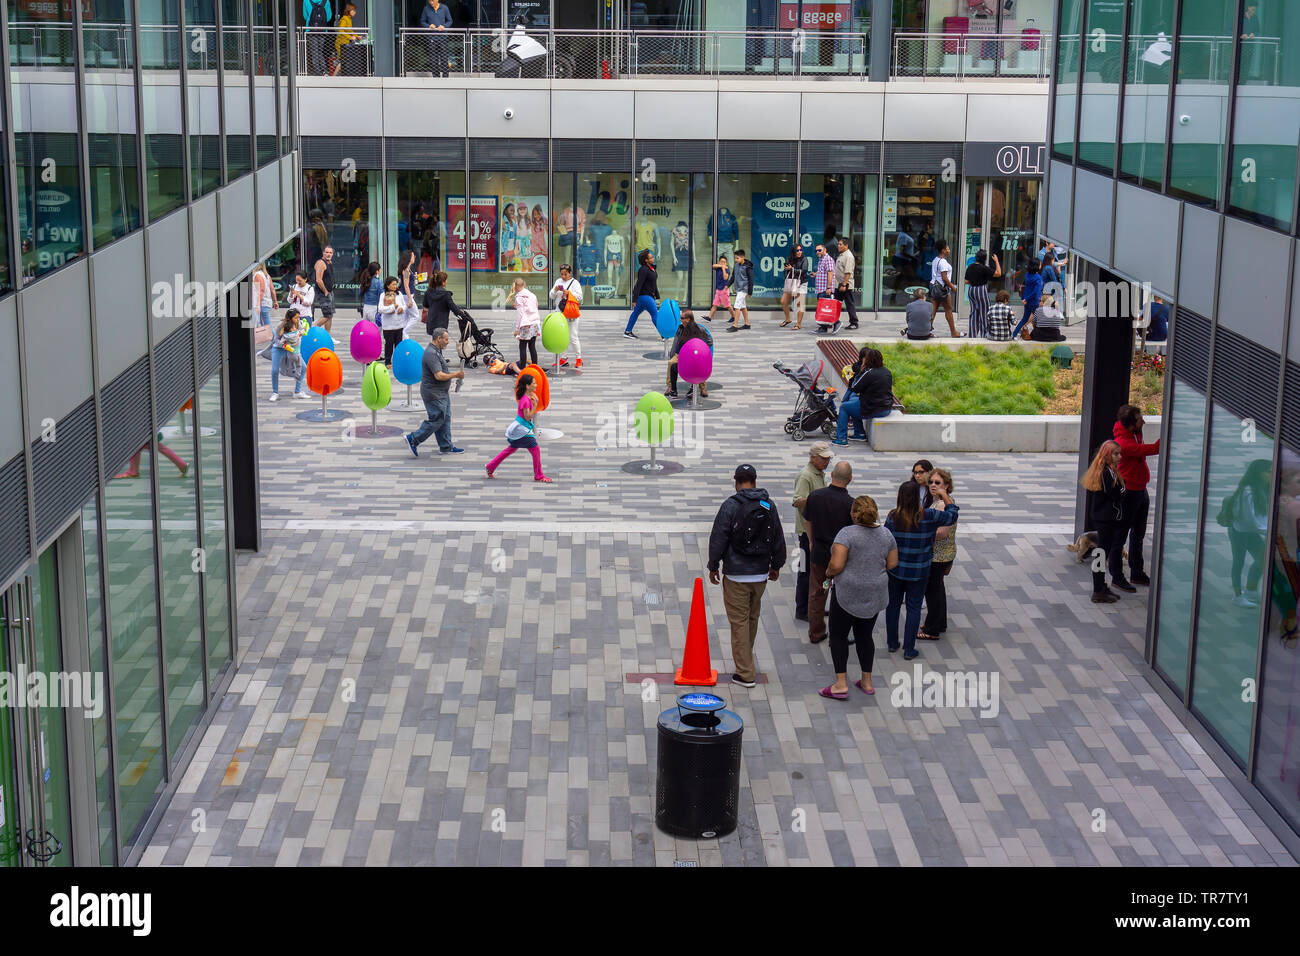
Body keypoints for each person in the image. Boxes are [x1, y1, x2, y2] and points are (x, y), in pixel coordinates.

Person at [707, 464, 787, 688]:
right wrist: (777, 565)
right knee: (751, 618)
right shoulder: (768, 505)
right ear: (755, 480)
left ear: (736, 481)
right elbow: (778, 536)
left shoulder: (731, 506)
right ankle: (746, 660)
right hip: (760, 574)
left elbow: (719, 538)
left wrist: (713, 565)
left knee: (739, 622)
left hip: (736, 575)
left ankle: (745, 673)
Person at [820, 495, 898, 700]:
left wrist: (828, 573)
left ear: (854, 513)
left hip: (848, 592)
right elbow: (892, 563)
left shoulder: (846, 534)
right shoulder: (886, 534)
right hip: (875, 592)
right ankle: (867, 681)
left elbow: (836, 565)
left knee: (838, 635)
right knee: (865, 635)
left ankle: (840, 684)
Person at [884, 480, 958, 660]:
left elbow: (886, 540)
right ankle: (909, 649)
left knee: (893, 605)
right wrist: (944, 495)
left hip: (896, 570)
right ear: (917, 497)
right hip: (919, 570)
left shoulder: (893, 516)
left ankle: (893, 643)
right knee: (914, 608)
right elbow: (952, 515)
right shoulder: (929, 515)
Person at [803, 461, 854, 645]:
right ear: (850, 479)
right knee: (840, 595)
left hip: (819, 554)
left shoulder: (815, 496)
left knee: (817, 593)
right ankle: (838, 634)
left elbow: (807, 520)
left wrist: (811, 540)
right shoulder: (851, 504)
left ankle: (816, 633)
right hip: (841, 559)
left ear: (831, 475)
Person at [1113, 403, 1160, 586]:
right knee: (1121, 534)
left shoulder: (1133, 433)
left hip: (1140, 489)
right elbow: (1153, 449)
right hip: (1130, 493)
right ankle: (1117, 576)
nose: (1144, 420)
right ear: (1131, 424)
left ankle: (1137, 572)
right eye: (1140, 419)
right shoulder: (1125, 443)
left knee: (1138, 533)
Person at [1080, 440, 1130, 603]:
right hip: (1106, 519)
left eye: (1120, 453)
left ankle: (1101, 586)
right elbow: (1116, 494)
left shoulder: (1107, 470)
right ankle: (1098, 590)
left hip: (1104, 518)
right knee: (1102, 554)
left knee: (1102, 553)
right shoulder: (1106, 473)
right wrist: (1124, 490)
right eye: (1116, 454)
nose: (1119, 457)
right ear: (1107, 455)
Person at [404, 327, 464, 456]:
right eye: (446, 339)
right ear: (439, 339)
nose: (448, 342)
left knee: (445, 418)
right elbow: (439, 376)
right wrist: (456, 375)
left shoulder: (436, 351)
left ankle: (446, 446)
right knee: (437, 419)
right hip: (434, 394)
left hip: (441, 393)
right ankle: (413, 439)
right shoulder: (431, 353)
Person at [485, 373, 552, 482]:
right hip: (522, 429)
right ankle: (539, 475)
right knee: (535, 449)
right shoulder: (525, 400)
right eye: (534, 383)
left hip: (520, 428)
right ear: (527, 386)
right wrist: (535, 405)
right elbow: (527, 417)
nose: (536, 385)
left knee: (511, 449)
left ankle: (490, 466)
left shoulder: (527, 397)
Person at [791, 443, 831, 623]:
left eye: (828, 458)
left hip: (818, 530)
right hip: (807, 533)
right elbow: (797, 500)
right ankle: (802, 608)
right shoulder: (806, 476)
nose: (827, 461)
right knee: (806, 570)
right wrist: (818, 500)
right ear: (812, 457)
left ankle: (815, 606)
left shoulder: (819, 474)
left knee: (817, 571)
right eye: (823, 458)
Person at [1225, 460, 1272, 608]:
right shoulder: (1248, 492)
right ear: (1259, 474)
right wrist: (1268, 530)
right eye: (1269, 472)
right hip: (1239, 530)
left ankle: (1250, 591)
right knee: (1238, 561)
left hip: (1250, 531)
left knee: (1263, 557)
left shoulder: (1264, 488)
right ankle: (1237, 596)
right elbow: (1251, 519)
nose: (1271, 475)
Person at [917, 468, 957, 641]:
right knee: (938, 589)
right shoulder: (944, 501)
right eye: (931, 482)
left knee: (932, 591)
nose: (933, 485)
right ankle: (939, 622)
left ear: (946, 485)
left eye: (938, 483)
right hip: (943, 553)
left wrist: (922, 533)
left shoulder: (941, 504)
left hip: (938, 555)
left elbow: (942, 532)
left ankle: (932, 629)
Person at [834, 347, 892, 446]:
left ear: (868, 360)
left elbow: (854, 387)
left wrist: (861, 371)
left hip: (873, 409)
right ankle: (859, 433)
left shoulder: (869, 373)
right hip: (886, 408)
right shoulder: (886, 371)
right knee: (854, 401)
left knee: (844, 407)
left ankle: (841, 439)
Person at [664, 311, 712, 399]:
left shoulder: (699, 328)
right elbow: (676, 342)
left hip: (695, 355)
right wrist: (674, 354)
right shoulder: (680, 328)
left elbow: (709, 341)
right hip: (681, 355)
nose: (680, 319)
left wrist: (703, 350)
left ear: (688, 319)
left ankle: (702, 388)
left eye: (682, 318)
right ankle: (671, 387)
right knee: (671, 363)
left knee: (699, 364)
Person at [268, 310, 307, 401]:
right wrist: (284, 345)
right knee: (274, 370)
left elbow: (299, 336)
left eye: (299, 317)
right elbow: (276, 339)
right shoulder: (281, 325)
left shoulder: (299, 324)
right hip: (279, 348)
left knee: (303, 367)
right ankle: (275, 392)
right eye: (296, 318)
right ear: (290, 318)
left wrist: (301, 332)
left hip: (293, 350)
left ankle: (297, 392)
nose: (298, 320)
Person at [550, 264, 583, 368]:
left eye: (565, 274)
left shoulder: (575, 283)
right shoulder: (558, 281)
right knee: (561, 336)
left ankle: (579, 359)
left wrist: (569, 293)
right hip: (559, 313)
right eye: (562, 274)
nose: (563, 276)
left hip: (571, 313)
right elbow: (551, 296)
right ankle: (563, 359)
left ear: (570, 273)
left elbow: (580, 297)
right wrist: (555, 290)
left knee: (573, 336)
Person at [421, 270, 468, 339]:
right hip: (441, 325)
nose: (447, 281)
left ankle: (434, 350)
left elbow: (425, 305)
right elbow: (454, 309)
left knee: (435, 341)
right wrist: (464, 316)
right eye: (446, 280)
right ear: (443, 283)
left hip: (431, 323)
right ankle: (434, 350)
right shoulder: (446, 295)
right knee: (439, 343)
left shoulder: (428, 292)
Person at [964, 250, 1000, 338]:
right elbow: (998, 274)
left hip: (971, 290)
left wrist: (974, 280)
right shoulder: (984, 268)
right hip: (981, 290)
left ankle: (972, 336)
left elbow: (966, 281)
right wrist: (997, 261)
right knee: (985, 313)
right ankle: (985, 335)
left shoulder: (970, 267)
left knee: (974, 313)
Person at [624, 250, 659, 339]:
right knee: (655, 315)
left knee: (635, 313)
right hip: (645, 297)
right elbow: (638, 284)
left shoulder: (651, 269)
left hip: (646, 297)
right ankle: (664, 335)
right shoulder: (643, 270)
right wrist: (634, 299)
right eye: (651, 257)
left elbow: (654, 284)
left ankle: (627, 331)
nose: (653, 258)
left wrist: (657, 295)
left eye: (652, 257)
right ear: (646, 260)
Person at [929, 239, 961, 337]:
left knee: (933, 311)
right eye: (947, 248)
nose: (949, 249)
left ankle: (927, 330)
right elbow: (945, 278)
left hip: (934, 287)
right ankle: (953, 332)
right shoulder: (942, 262)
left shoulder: (935, 260)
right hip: (942, 289)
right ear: (943, 250)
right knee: (948, 309)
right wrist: (953, 288)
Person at [510, 277, 541, 367]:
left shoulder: (519, 297)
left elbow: (520, 315)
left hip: (526, 324)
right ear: (524, 285)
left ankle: (523, 368)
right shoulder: (532, 295)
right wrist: (518, 306)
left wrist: (517, 329)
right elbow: (534, 307)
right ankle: (535, 367)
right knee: (532, 346)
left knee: (522, 346)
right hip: (535, 322)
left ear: (515, 287)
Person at [1012, 256, 1044, 339]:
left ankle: (1014, 334)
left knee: (1025, 319)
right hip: (1034, 301)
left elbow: (1026, 288)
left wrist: (1024, 298)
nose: (1041, 264)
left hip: (1027, 301)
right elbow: (1035, 291)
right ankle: (1042, 335)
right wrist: (1027, 298)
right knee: (1040, 319)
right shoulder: (1038, 278)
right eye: (1039, 263)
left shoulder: (1027, 275)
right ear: (1037, 266)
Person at [378, 275, 407, 366]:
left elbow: (404, 305)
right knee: (389, 344)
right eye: (393, 284)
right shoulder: (383, 295)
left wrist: (402, 308)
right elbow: (380, 309)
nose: (395, 286)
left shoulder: (399, 294)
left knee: (398, 345)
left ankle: (398, 361)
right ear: (388, 285)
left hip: (399, 324)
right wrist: (392, 307)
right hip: (388, 326)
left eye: (396, 284)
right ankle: (388, 362)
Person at [420, 0, 453, 76]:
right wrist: (429, 26)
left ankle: (445, 78)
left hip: (443, 38)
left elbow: (450, 21)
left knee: (444, 59)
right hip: (432, 38)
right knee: (433, 60)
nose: (431, 3)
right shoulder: (426, 9)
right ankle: (435, 78)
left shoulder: (444, 8)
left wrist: (444, 26)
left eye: (433, 1)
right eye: (430, 1)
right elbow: (422, 21)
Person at [780, 246, 810, 328]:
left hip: (801, 283)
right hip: (791, 282)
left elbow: (804, 271)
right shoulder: (789, 259)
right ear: (794, 252)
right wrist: (788, 276)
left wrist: (792, 269)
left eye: (801, 250)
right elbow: (786, 270)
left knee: (799, 304)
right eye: (797, 250)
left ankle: (798, 324)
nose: (800, 252)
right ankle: (788, 319)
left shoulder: (804, 259)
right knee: (783, 301)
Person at [833, 237, 859, 330]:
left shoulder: (848, 256)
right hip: (839, 284)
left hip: (845, 285)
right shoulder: (842, 255)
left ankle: (854, 323)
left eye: (840, 244)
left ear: (846, 245)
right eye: (838, 244)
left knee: (849, 304)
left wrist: (844, 284)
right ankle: (834, 321)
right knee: (836, 303)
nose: (838, 246)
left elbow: (848, 272)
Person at [725, 249, 753, 332]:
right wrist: (728, 285)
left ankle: (735, 325)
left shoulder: (748, 267)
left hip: (744, 289)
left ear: (742, 257)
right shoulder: (736, 265)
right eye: (735, 258)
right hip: (738, 288)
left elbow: (751, 279)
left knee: (737, 306)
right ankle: (747, 324)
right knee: (743, 307)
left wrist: (750, 291)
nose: (735, 260)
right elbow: (733, 276)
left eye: (737, 258)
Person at [398, 249, 421, 339]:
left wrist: (415, 279)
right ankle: (405, 332)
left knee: (406, 317)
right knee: (415, 316)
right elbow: (406, 285)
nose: (414, 257)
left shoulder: (409, 270)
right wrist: (410, 299)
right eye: (412, 256)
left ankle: (403, 335)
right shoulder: (407, 271)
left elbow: (409, 284)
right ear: (408, 258)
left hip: (406, 295)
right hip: (407, 296)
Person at [333, 1, 361, 76]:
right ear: (349, 11)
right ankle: (333, 77)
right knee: (343, 60)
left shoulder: (349, 19)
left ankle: (336, 76)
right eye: (353, 10)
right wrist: (350, 37)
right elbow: (340, 30)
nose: (355, 12)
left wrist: (357, 36)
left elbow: (350, 30)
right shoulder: (344, 19)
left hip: (345, 43)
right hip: (340, 43)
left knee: (344, 60)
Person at [708, 254, 736, 325]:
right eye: (721, 261)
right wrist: (721, 266)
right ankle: (709, 317)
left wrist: (724, 268)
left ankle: (734, 316)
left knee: (727, 305)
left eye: (724, 262)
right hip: (718, 290)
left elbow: (725, 278)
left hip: (724, 291)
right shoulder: (718, 268)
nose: (723, 263)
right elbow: (713, 266)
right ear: (719, 262)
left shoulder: (727, 270)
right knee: (715, 304)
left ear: (726, 263)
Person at [312, 246, 336, 331]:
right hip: (323, 293)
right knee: (327, 315)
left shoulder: (329, 262)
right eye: (327, 252)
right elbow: (318, 280)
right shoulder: (321, 263)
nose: (328, 254)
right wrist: (325, 291)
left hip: (330, 291)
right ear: (323, 253)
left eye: (330, 252)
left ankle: (328, 336)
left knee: (330, 314)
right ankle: (310, 330)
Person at [251, 261, 277, 326]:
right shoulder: (267, 275)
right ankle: (271, 336)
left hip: (261, 303)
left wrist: (258, 305)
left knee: (265, 326)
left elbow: (261, 290)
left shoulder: (257, 275)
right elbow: (272, 290)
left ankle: (273, 336)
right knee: (265, 325)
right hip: (266, 303)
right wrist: (275, 301)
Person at [813, 242, 835, 317]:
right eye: (816, 251)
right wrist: (815, 274)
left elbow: (830, 273)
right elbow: (823, 271)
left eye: (819, 250)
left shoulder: (828, 259)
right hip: (820, 289)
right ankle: (826, 325)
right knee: (824, 309)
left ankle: (831, 325)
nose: (817, 252)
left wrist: (828, 288)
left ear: (825, 250)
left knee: (825, 309)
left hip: (825, 290)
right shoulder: (821, 260)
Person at [358, 260, 381, 327]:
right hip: (375, 309)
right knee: (376, 331)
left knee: (366, 330)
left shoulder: (365, 281)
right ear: (377, 271)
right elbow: (382, 295)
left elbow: (360, 293)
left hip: (365, 308)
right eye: (380, 269)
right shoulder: (379, 282)